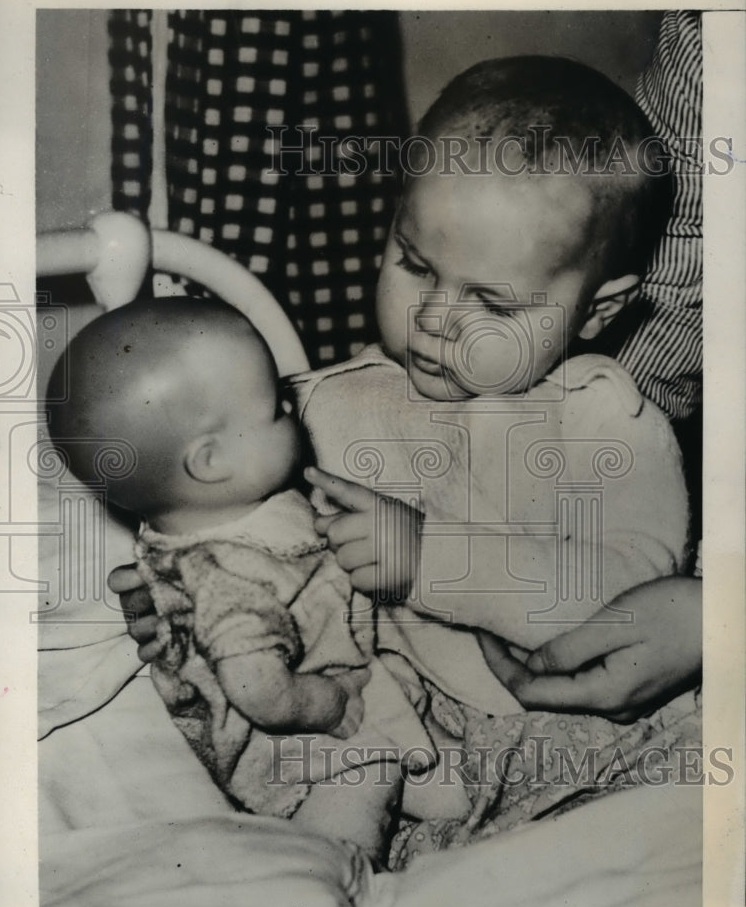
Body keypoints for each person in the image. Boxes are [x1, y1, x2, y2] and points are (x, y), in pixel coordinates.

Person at [112, 56, 701, 858]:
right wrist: (189, 582)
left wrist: (428, 561)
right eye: (415, 264)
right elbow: (262, 550)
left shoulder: (602, 417)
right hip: (401, 747)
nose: (434, 316)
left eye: (491, 302)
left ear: (597, 309)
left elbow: (632, 605)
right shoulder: (320, 406)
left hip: (580, 736)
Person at [46, 296, 435, 861]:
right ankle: (329, 875)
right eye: (275, 408)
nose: (292, 406)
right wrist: (325, 705)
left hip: (349, 680)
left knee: (445, 768)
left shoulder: (238, 516)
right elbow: (257, 689)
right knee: (364, 781)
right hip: (293, 743)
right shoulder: (227, 576)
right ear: (209, 462)